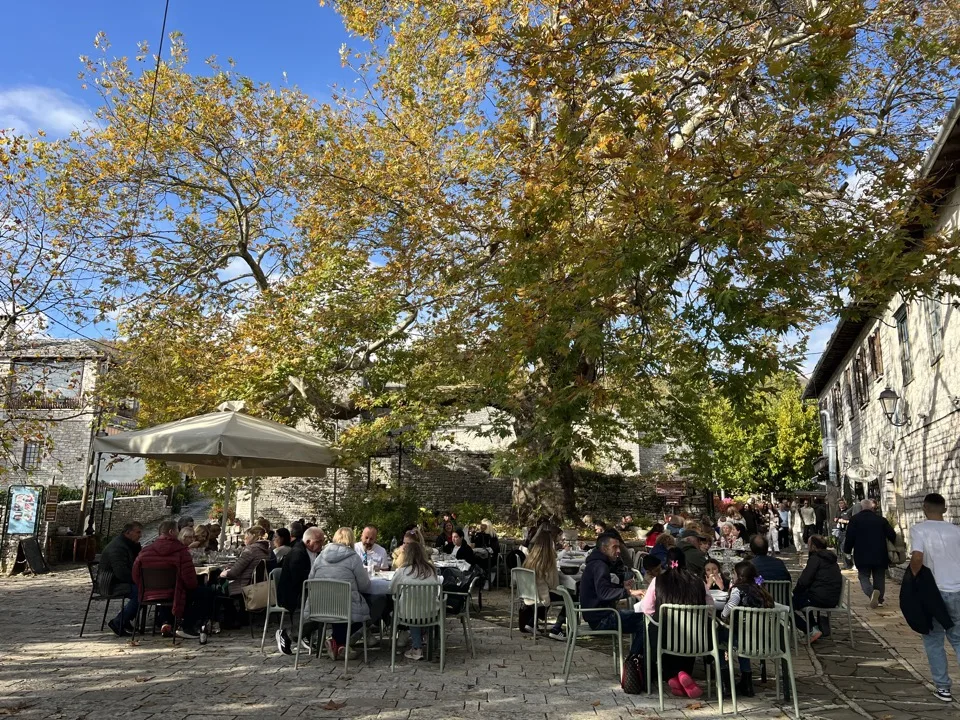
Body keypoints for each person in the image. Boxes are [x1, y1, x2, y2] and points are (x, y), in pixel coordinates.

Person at [639, 547, 712, 698]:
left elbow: (647, 608)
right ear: (684, 562)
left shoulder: (657, 581)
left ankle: (672, 676)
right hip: (695, 639)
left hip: (665, 638)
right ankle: (682, 674)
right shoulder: (698, 582)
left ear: (667, 562)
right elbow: (710, 608)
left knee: (652, 628)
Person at [908, 493, 960, 702]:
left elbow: (917, 557)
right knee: (958, 638)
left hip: (933, 593)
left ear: (923, 508)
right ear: (945, 509)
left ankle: (943, 688)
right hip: (957, 590)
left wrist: (913, 579)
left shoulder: (919, 530)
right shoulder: (956, 531)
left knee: (933, 640)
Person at [132, 519, 210, 639]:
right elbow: (189, 580)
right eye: (178, 530)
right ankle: (186, 626)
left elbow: (135, 574)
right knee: (204, 592)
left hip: (149, 593)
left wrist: (146, 587)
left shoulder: (145, 551)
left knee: (173, 591)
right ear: (171, 531)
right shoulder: (181, 552)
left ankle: (166, 622)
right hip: (174, 592)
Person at [306, 527, 371, 661]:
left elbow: (310, 580)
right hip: (344, 607)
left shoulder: (320, 557)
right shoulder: (353, 558)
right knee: (370, 609)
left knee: (340, 604)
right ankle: (338, 642)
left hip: (320, 606)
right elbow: (364, 586)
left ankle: (337, 643)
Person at [580, 534, 646, 656]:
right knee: (647, 622)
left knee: (643, 619)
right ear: (604, 549)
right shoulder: (600, 566)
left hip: (595, 616)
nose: (619, 551)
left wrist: (622, 586)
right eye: (615, 547)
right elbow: (603, 593)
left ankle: (639, 660)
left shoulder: (596, 563)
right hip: (601, 619)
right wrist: (629, 592)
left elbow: (602, 588)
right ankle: (634, 661)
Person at [719, 560, 775, 697]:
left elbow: (729, 608)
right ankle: (747, 682)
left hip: (742, 639)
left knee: (718, 636)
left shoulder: (738, 590)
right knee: (743, 636)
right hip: (761, 639)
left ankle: (725, 680)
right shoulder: (761, 590)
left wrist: (722, 614)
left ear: (739, 576)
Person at [275, 526, 325, 655]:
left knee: (328, 606)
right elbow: (301, 580)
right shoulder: (297, 553)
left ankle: (306, 634)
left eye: (323, 541)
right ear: (308, 542)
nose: (322, 544)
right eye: (319, 541)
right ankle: (288, 634)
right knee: (322, 609)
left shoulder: (316, 552)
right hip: (293, 593)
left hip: (309, 591)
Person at [390, 538, 442, 660]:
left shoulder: (402, 571)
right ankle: (425, 643)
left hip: (408, 614)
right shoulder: (431, 570)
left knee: (412, 608)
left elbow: (392, 590)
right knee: (419, 607)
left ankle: (417, 647)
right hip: (430, 613)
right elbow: (435, 592)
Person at [844, 498, 896, 608]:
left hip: (862, 554)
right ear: (872, 507)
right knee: (879, 577)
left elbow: (849, 538)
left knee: (863, 576)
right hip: (880, 553)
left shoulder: (855, 520)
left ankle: (871, 592)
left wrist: (847, 551)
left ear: (861, 508)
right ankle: (880, 600)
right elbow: (892, 535)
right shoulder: (881, 520)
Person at [519, 529, 568, 639]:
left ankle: (532, 623)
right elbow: (554, 584)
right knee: (571, 597)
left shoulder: (531, 558)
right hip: (541, 595)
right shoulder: (548, 560)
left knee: (547, 591)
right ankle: (557, 628)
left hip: (529, 593)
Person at [792, 535, 842, 643]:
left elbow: (804, 581)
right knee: (803, 598)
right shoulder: (831, 559)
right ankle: (814, 627)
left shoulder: (816, 559)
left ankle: (809, 629)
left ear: (813, 546)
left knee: (788, 604)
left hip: (820, 597)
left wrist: (794, 592)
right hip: (832, 598)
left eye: (809, 544)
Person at [99, 521, 143, 636]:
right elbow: (122, 573)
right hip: (110, 584)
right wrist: (140, 581)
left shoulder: (128, 545)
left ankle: (125, 619)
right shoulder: (118, 547)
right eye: (138, 532)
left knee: (146, 592)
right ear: (128, 532)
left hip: (117, 581)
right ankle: (118, 621)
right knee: (142, 593)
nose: (140, 535)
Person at [221, 526, 271, 597]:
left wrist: (225, 573)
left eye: (246, 536)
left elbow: (233, 573)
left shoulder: (250, 550)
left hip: (245, 587)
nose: (244, 539)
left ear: (252, 536)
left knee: (216, 588)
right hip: (260, 586)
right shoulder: (267, 550)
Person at [834, 499, 854, 569]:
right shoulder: (838, 511)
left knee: (844, 547)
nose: (840, 505)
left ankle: (850, 563)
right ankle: (846, 564)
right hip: (840, 531)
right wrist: (836, 520)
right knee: (841, 548)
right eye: (839, 504)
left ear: (845, 504)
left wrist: (844, 521)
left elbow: (852, 521)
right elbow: (836, 518)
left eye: (842, 503)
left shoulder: (848, 511)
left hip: (847, 531)